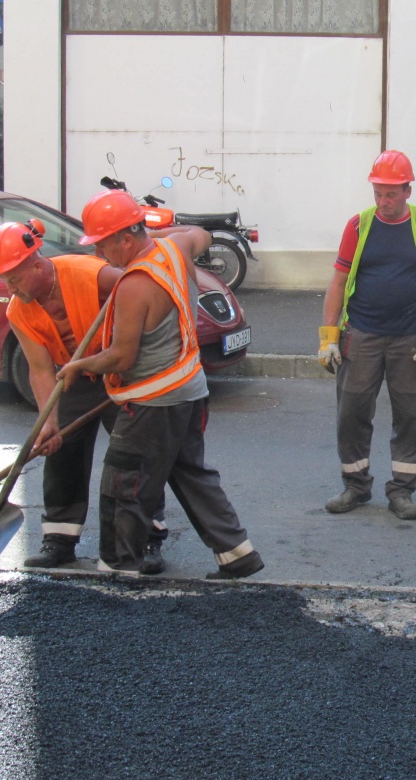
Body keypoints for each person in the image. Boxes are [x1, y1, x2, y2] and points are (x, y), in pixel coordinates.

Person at [57, 190, 262, 579]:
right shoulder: (175, 247)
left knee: (125, 481)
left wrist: (77, 365)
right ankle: (237, 554)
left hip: (153, 399)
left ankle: (118, 567)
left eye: (102, 245)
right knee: (191, 475)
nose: (101, 255)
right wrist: (169, 232)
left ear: (127, 239)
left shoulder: (136, 285)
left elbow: (121, 357)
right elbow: (198, 233)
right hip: (190, 390)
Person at [0, 220, 168, 574]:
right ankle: (60, 542)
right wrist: (48, 424)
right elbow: (39, 368)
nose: (9, 288)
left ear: (36, 266)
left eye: (14, 279)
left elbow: (144, 284)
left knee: (134, 459)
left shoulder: (90, 274)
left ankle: (146, 540)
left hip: (119, 370)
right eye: (4, 279)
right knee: (61, 453)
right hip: (74, 377)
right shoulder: (19, 310)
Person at [317, 149, 416, 521]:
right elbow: (339, 280)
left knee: (409, 415)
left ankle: (402, 491)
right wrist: (328, 337)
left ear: (408, 190)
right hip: (361, 333)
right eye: (378, 192)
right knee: (352, 411)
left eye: (391, 193)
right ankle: (355, 486)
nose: (383, 201)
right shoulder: (358, 226)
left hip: (409, 337)